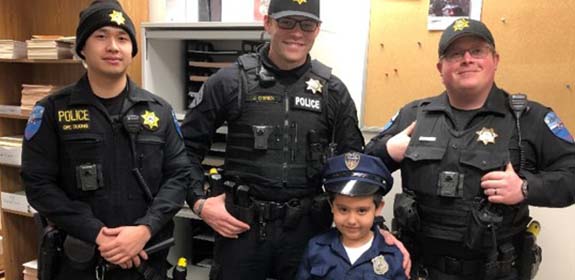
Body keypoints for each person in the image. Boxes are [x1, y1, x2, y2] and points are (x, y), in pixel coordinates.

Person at [181, 0, 410, 279]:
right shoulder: (230, 81)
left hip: (308, 232)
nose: (297, 33)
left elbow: (354, 168)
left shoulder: (333, 91)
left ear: (317, 30)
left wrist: (376, 229)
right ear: (268, 23)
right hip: (241, 227)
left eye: (307, 24)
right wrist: (200, 203)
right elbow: (185, 150)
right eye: (287, 22)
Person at [366, 18, 575, 279]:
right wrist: (386, 152)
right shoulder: (414, 115)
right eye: (455, 53)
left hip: (494, 271)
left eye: (477, 51)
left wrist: (525, 188)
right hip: (419, 269)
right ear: (440, 67)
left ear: (495, 60)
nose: (467, 59)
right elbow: (359, 171)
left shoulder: (529, 118)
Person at [21, 1, 191, 279]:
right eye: (101, 36)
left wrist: (144, 229)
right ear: (82, 48)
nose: (113, 46)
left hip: (145, 261)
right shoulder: (53, 110)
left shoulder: (158, 111)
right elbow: (38, 184)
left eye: (122, 38)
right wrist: (98, 234)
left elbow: (179, 177)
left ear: (132, 50)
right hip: (78, 262)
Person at [296, 152, 406, 280]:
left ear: (378, 208)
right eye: (343, 209)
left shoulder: (393, 255)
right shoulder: (316, 248)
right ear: (331, 206)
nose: (352, 220)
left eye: (361, 211)